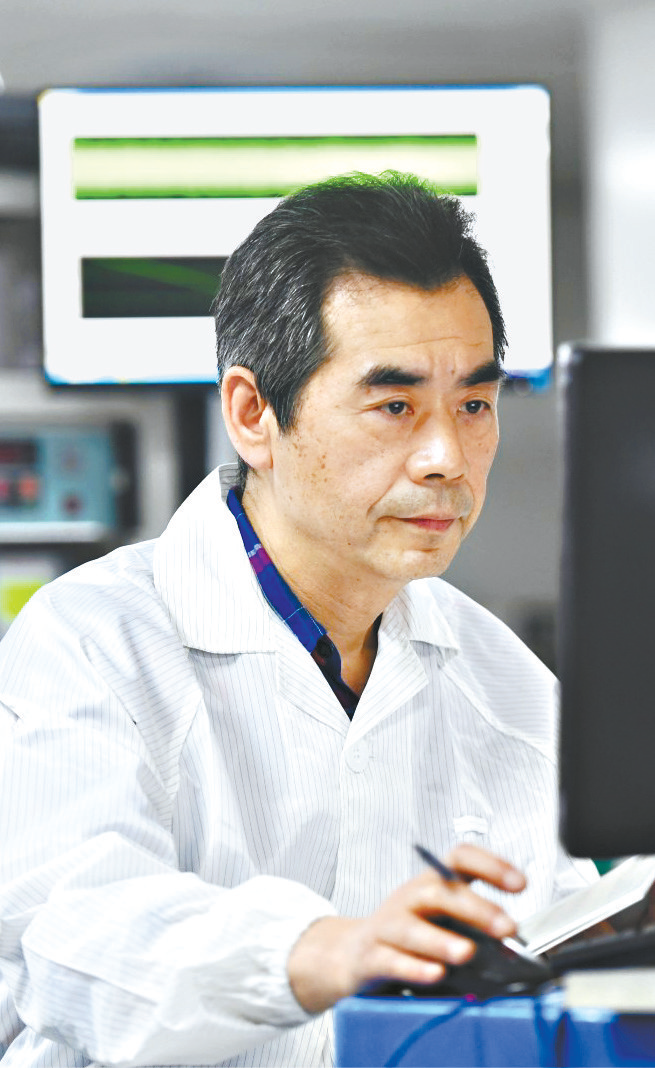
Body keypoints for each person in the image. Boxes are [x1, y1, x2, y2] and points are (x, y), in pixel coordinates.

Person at [0, 172, 596, 1067]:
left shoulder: (509, 687)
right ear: (253, 414)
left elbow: (567, 966)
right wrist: (327, 953)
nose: (446, 457)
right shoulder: (92, 642)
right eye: (393, 406)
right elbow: (77, 940)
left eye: (473, 404)